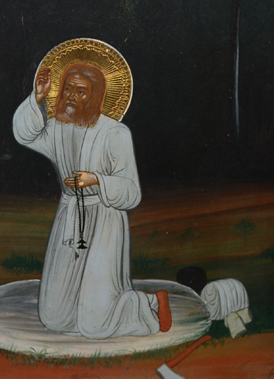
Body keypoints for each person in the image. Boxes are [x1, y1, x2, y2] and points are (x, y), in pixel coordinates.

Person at [13, 61, 171, 338]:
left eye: (81, 92)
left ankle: (149, 303)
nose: (70, 97)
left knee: (96, 325)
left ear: (95, 97)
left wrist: (97, 180)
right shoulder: (58, 127)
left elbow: (131, 192)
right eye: (67, 89)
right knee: (54, 318)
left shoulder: (115, 133)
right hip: (70, 215)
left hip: (104, 219)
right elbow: (25, 135)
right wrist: (37, 98)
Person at [177, 266, 252, 339]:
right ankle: (242, 315)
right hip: (237, 288)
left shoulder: (207, 293)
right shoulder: (208, 291)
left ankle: (239, 317)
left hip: (231, 293)